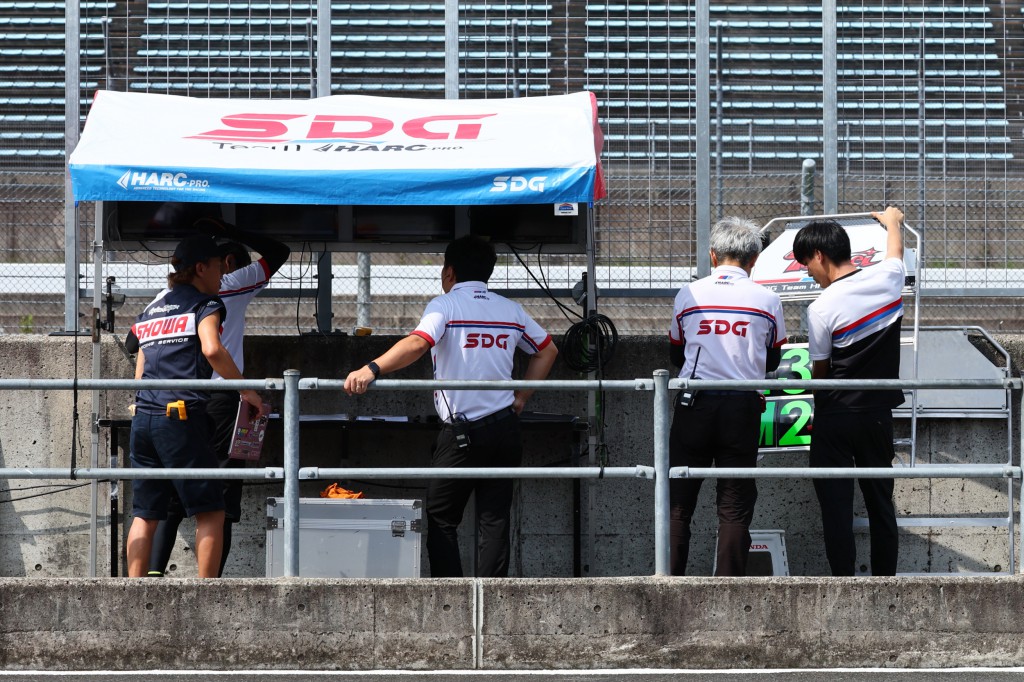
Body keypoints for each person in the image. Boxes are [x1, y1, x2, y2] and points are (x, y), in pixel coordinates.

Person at [343, 235, 558, 577]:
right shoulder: (510, 310)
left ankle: (452, 597)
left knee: (442, 517)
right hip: (505, 428)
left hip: (462, 433)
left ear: (449, 272)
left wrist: (371, 368)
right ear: (488, 271)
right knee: (495, 520)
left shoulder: (445, 305)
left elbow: (418, 343)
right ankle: (492, 597)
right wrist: (521, 397)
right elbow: (547, 350)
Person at [147, 218, 291, 577]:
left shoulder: (164, 298)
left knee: (172, 498)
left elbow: (136, 342)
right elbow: (279, 252)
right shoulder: (229, 284)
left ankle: (151, 580)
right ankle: (210, 587)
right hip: (223, 399)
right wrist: (233, 230)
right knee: (221, 498)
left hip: (172, 400)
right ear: (222, 264)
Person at [126, 234, 266, 578]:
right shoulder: (206, 304)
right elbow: (212, 349)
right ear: (201, 268)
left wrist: (140, 398)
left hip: (144, 418)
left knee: (146, 513)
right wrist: (248, 392)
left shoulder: (153, 308)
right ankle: (207, 595)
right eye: (219, 267)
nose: (223, 275)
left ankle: (132, 591)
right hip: (181, 416)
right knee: (213, 510)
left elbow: (141, 356)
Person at [668, 217, 787, 576]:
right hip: (742, 405)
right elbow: (773, 359)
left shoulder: (689, 293)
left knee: (678, 504)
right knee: (735, 505)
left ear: (712, 255)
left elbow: (676, 353)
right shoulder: (768, 299)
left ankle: (668, 583)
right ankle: (730, 591)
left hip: (694, 402)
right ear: (754, 259)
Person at [792, 206, 906, 577]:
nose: (808, 273)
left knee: (836, 509)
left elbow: (821, 371)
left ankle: (843, 584)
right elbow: (895, 252)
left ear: (819, 256)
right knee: (881, 504)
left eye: (805, 264)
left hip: (835, 417)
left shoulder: (821, 307)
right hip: (877, 414)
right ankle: (886, 585)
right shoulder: (888, 278)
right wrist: (893, 221)